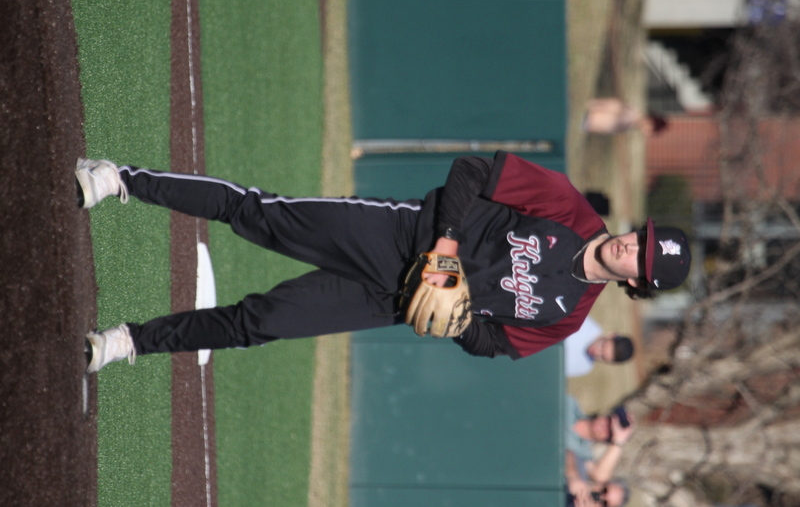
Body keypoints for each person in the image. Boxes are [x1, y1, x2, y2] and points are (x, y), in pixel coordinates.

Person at [75, 151, 692, 372]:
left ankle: (127, 343)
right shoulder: (567, 209)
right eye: (641, 237)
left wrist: (457, 325)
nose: (630, 247)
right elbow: (473, 171)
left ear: (638, 283)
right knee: (256, 215)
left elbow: (494, 345)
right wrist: (446, 247)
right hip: (397, 235)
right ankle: (119, 179)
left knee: (256, 325)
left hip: (390, 302)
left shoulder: (566, 317)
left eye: (641, 258)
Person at [564, 394, 635, 486]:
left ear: (608, 440)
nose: (604, 426)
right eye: (609, 421)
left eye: (610, 431)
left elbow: (599, 476)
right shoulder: (570, 405)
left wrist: (618, 442)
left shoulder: (582, 452)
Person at [564, 317, 635, 378]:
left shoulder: (585, 367)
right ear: (611, 335)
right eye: (602, 345)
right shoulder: (584, 325)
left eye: (602, 357)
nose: (596, 352)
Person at [583, 98, 668, 136]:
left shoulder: (630, 126)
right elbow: (609, 105)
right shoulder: (631, 114)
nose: (647, 133)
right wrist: (589, 106)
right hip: (586, 117)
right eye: (650, 130)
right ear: (650, 122)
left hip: (586, 125)